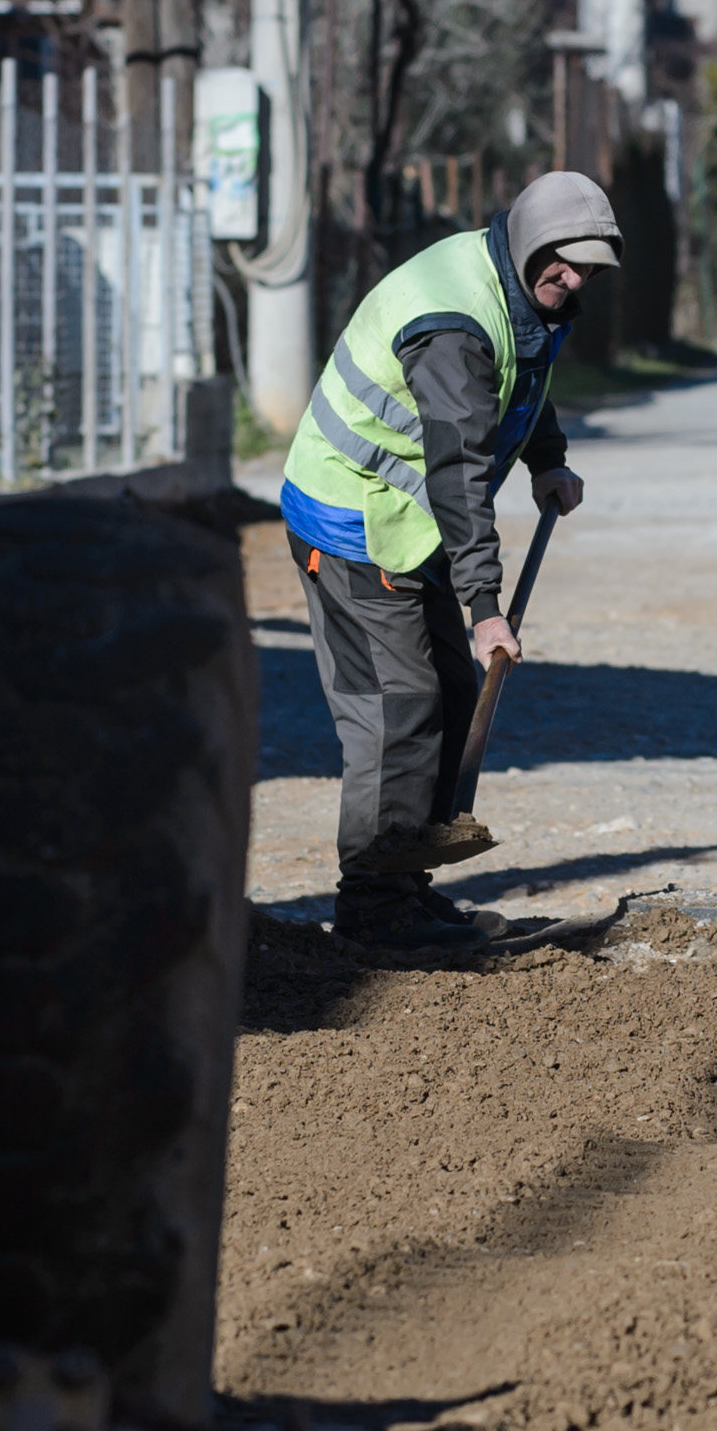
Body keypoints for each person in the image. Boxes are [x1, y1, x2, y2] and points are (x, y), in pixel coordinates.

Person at [281, 171, 608, 953]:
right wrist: (485, 607)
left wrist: (547, 460)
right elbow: (458, 468)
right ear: (531, 243)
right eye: (561, 264)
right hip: (351, 520)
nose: (571, 280)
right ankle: (371, 907)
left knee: (452, 687)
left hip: (406, 524)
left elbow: (521, 376)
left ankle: (405, 887)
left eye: (589, 268)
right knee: (401, 707)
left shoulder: (512, 289)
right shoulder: (455, 323)